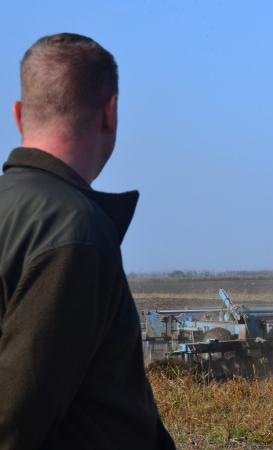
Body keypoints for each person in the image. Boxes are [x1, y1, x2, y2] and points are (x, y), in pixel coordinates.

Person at [0, 33, 174, 449]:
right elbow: (14, 422)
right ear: (109, 114)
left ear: (19, 115)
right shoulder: (74, 233)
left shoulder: (15, 210)